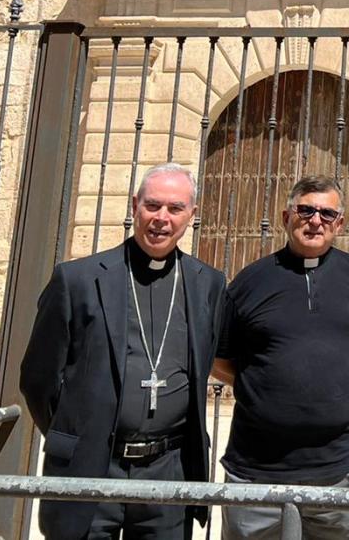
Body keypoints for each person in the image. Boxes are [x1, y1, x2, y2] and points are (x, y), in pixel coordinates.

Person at [20, 163, 226, 540]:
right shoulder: (78, 279)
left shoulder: (208, 284)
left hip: (169, 474)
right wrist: (77, 436)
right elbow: (38, 380)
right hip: (93, 468)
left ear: (192, 216)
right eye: (152, 206)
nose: (162, 218)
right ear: (135, 206)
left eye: (175, 208)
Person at [213, 175, 349, 540]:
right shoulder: (249, 282)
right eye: (305, 210)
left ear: (339, 223)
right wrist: (265, 388)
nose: (315, 220)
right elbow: (220, 359)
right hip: (258, 472)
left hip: (341, 470)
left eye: (327, 213)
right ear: (285, 216)